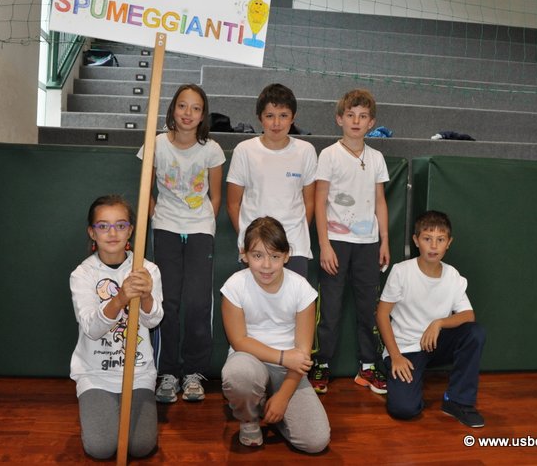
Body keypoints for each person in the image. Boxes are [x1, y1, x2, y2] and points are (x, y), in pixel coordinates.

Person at [137, 84, 225, 404]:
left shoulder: (211, 149)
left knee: (198, 303)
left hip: (200, 230)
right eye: (182, 106)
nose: (188, 113)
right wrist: (156, 215)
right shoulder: (156, 144)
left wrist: (204, 223)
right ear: (173, 109)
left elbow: (216, 196)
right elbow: (145, 188)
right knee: (168, 302)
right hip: (166, 228)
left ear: (203, 115)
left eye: (196, 108)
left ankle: (194, 373)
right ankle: (168, 372)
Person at [220, 216, 330, 453]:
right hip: (250, 360)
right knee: (237, 375)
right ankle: (249, 419)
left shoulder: (301, 289)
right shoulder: (234, 286)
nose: (266, 265)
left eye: (275, 256)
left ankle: (269, 406)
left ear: (287, 256)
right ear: (244, 255)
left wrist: (283, 397)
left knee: (316, 442)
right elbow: (239, 341)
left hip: (289, 371)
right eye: (258, 255)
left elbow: (301, 357)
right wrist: (282, 356)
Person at [69, 195, 163, 459]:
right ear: (92, 232)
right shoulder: (83, 274)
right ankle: (99, 411)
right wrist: (120, 298)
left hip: (138, 372)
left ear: (131, 230)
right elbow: (92, 328)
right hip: (96, 374)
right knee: (100, 449)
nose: (112, 233)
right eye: (103, 226)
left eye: (120, 225)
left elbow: (154, 320)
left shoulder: (147, 270)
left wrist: (146, 295)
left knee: (141, 447)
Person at [310, 89, 391, 396]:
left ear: (371, 123)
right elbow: (320, 201)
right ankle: (321, 364)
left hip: (368, 244)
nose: (356, 121)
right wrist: (324, 245)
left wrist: (384, 241)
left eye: (363, 116)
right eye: (350, 115)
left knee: (368, 308)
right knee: (329, 309)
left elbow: (380, 201)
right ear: (339, 119)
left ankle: (368, 366)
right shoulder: (329, 155)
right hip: (336, 243)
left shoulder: (376, 158)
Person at [376, 210, 486, 428]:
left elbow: (468, 315)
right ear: (416, 240)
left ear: (449, 243)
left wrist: (439, 323)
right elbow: (381, 314)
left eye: (440, 240)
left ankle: (457, 402)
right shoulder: (401, 272)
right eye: (427, 239)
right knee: (404, 409)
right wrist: (396, 356)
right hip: (405, 349)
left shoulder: (452, 275)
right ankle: (394, 372)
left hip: (435, 344)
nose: (434, 246)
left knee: (475, 332)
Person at [226, 83, 318, 278]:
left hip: (295, 247)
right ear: (260, 118)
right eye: (270, 116)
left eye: (283, 115)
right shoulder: (244, 150)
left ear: (293, 117)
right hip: (255, 247)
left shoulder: (306, 151)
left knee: (294, 298)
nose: (276, 123)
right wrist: (248, 240)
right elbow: (233, 204)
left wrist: (296, 235)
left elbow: (310, 202)